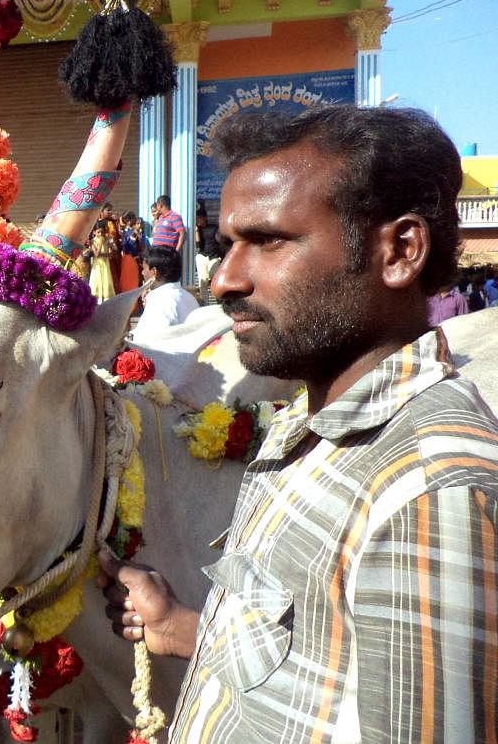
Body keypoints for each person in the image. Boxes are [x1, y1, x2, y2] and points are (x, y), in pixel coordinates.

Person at [100, 105, 498, 742]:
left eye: (269, 240)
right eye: (227, 243)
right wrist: (178, 624)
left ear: (399, 251)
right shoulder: (314, 429)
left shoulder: (430, 490)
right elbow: (324, 664)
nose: (224, 279)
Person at [130, 245, 199, 341]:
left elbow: (147, 341)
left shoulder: (160, 300)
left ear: (154, 272)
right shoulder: (190, 298)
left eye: (144, 268)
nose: (142, 273)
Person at [116, 210, 144, 293]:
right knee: (132, 280)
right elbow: (132, 245)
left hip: (125, 258)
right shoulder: (132, 232)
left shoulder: (125, 232)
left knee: (126, 280)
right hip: (132, 258)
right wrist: (137, 256)